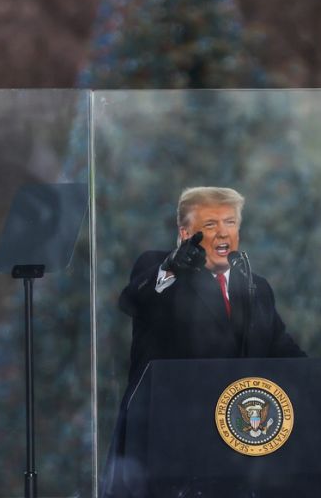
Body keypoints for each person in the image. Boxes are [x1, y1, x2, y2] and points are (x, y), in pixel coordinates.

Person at [101, 186, 305, 498]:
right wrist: (172, 266)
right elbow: (132, 301)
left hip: (237, 448)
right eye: (210, 225)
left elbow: (280, 347)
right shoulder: (159, 269)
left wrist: (316, 380)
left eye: (231, 222)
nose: (223, 233)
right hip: (166, 445)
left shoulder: (255, 286)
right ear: (185, 233)